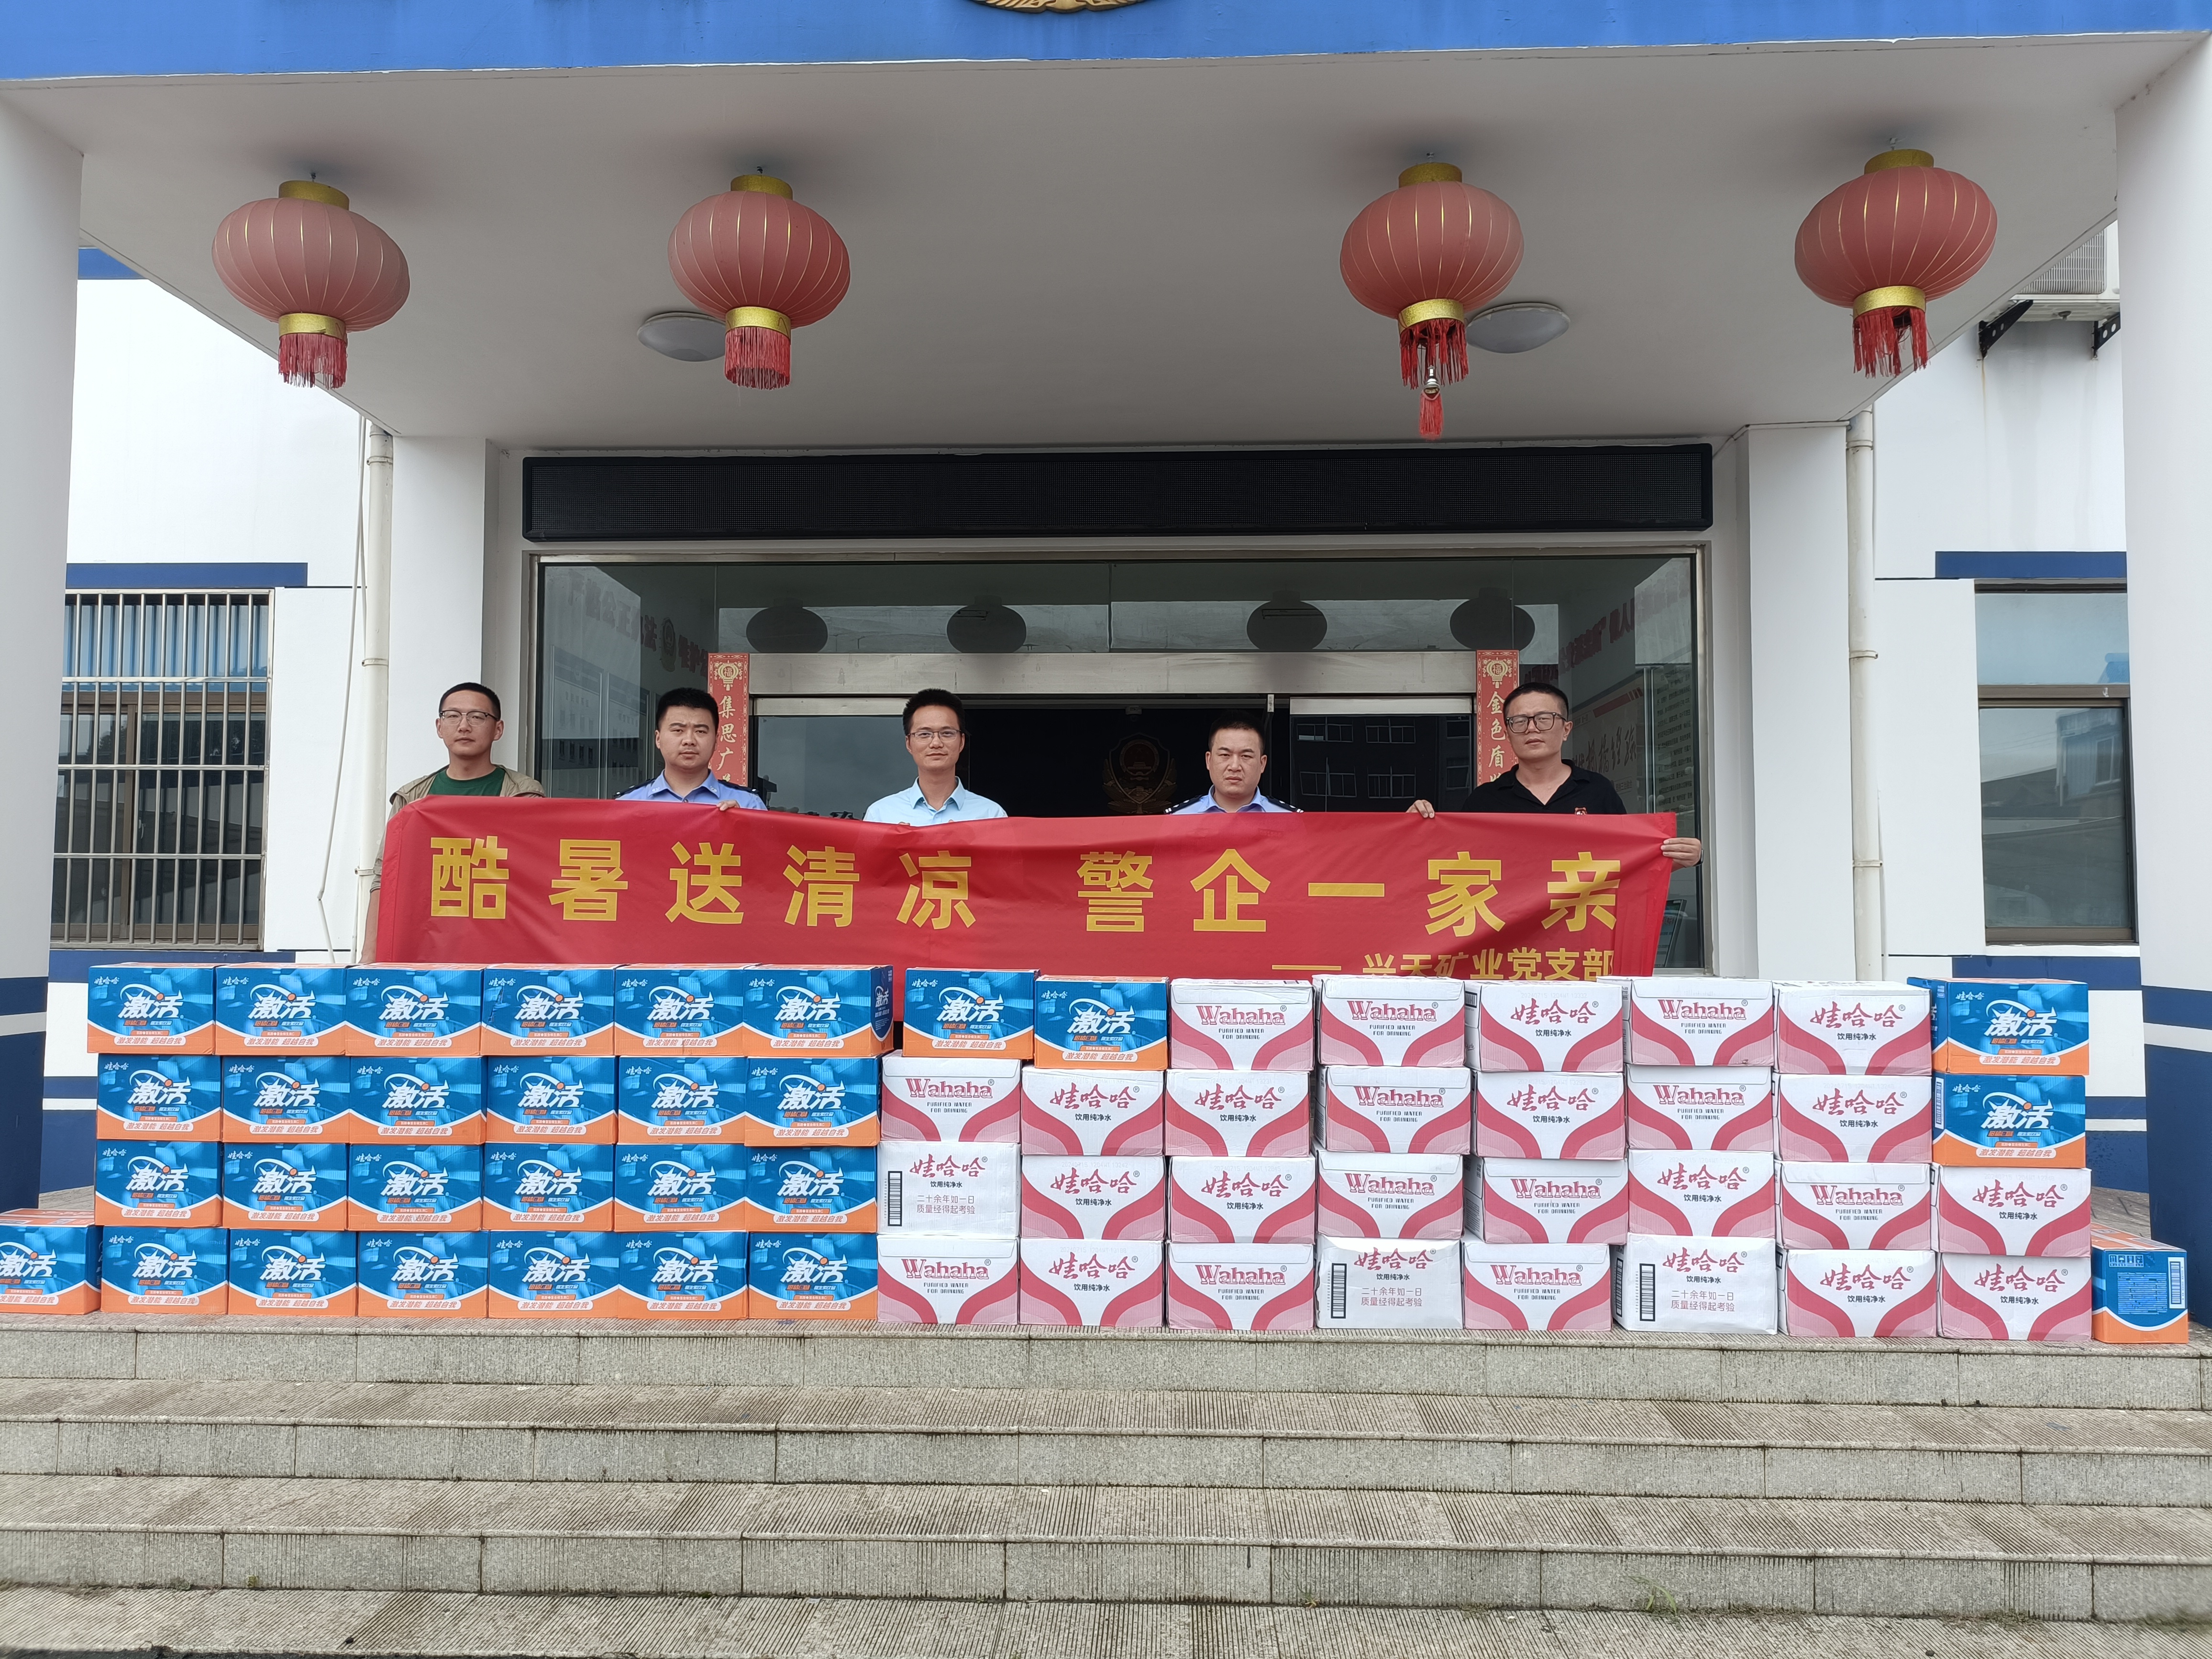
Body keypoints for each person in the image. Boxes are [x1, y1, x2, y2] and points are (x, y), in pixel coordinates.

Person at [1407, 682, 1701, 866]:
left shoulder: (1597, 790)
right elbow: (1452, 864)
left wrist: (1681, 858)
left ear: (1566, 729)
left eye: (1544, 719)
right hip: (1508, 937)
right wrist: (1410, 832)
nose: (1532, 728)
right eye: (1519, 721)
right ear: (1507, 733)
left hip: (1581, 932)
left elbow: (1628, 859)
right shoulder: (1485, 800)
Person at [363, 681, 547, 962]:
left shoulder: (522, 794)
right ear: (440, 727)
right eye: (452, 716)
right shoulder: (412, 798)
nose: (463, 726)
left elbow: (534, 877)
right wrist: (370, 955)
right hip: (428, 942)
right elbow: (385, 877)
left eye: (477, 717)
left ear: (498, 729)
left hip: (500, 943)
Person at [864, 689, 1007, 823]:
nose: (936, 743)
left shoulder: (991, 815)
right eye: (924, 734)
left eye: (947, 733)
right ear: (909, 743)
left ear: (962, 742)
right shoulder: (880, 816)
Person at [618, 687, 767, 808]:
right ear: (658, 738)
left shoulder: (749, 804)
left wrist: (742, 825)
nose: (689, 740)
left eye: (700, 731)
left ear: (716, 741)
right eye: (678, 730)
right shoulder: (627, 804)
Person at [1170, 716, 1294, 813]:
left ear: (1262, 764)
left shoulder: (1290, 820)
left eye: (1246, 756)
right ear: (1209, 760)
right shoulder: (1178, 819)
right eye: (1225, 755)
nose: (1235, 767)